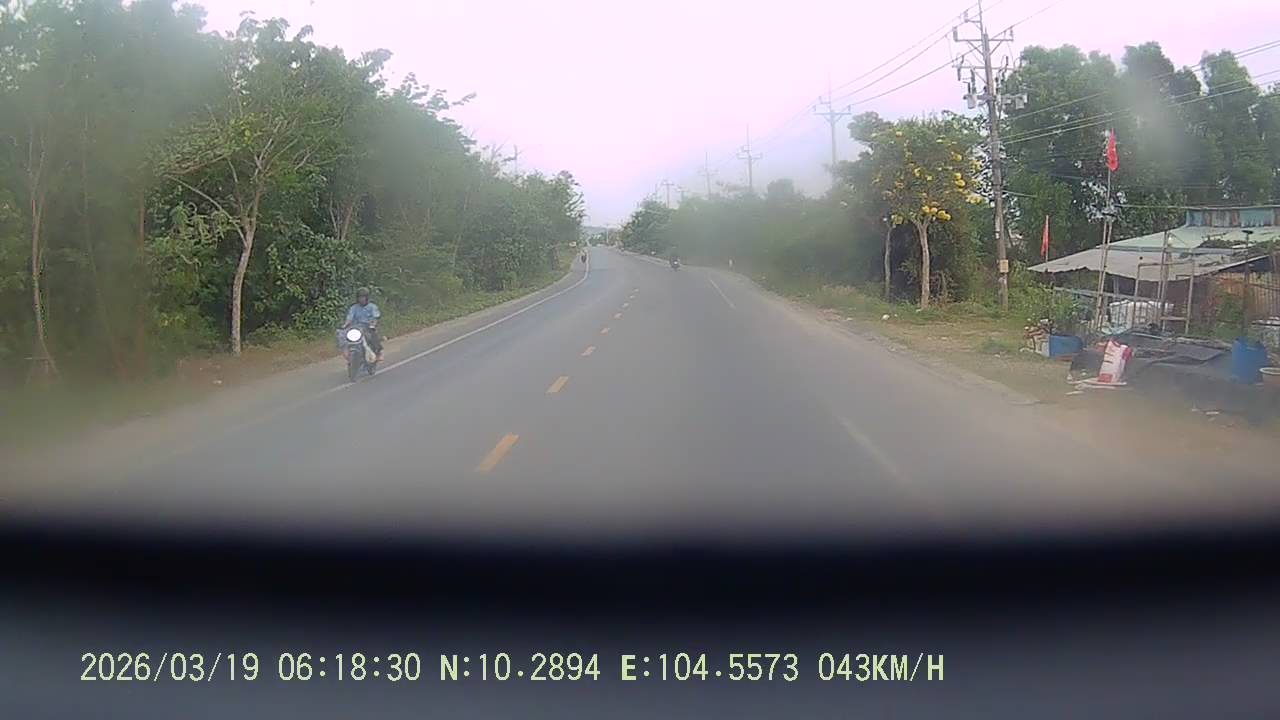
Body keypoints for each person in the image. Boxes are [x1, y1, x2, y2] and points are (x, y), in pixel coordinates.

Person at [344, 287, 383, 360]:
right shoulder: (354, 307)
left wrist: (373, 325)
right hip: (356, 328)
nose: (361, 299)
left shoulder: (372, 307)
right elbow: (349, 318)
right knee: (345, 337)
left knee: (372, 336)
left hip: (368, 327)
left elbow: (375, 317)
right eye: (360, 297)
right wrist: (345, 325)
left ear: (367, 297)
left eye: (363, 297)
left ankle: (379, 352)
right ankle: (349, 354)